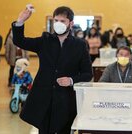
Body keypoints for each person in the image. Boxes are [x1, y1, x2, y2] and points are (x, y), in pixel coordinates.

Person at [12, 6, 93, 134]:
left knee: (64, 129)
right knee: (44, 130)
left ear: (70, 24)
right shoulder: (45, 40)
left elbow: (88, 74)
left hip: (66, 99)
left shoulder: (79, 45)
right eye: (56, 20)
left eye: (62, 21)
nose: (58, 24)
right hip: (44, 97)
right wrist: (20, 21)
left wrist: (71, 80)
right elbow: (19, 41)